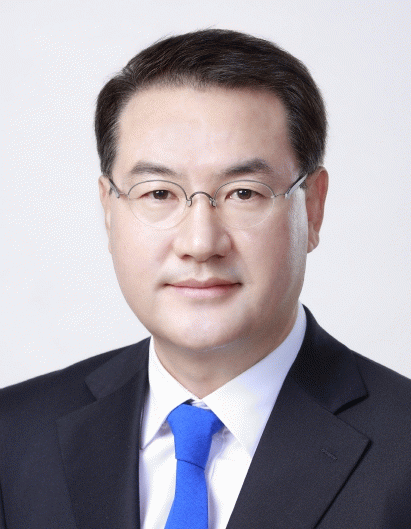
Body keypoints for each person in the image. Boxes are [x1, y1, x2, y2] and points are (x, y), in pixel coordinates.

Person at [0, 29, 410, 529]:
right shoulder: (14, 436)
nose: (200, 242)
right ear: (108, 210)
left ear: (313, 207)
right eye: (158, 193)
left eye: (244, 193)